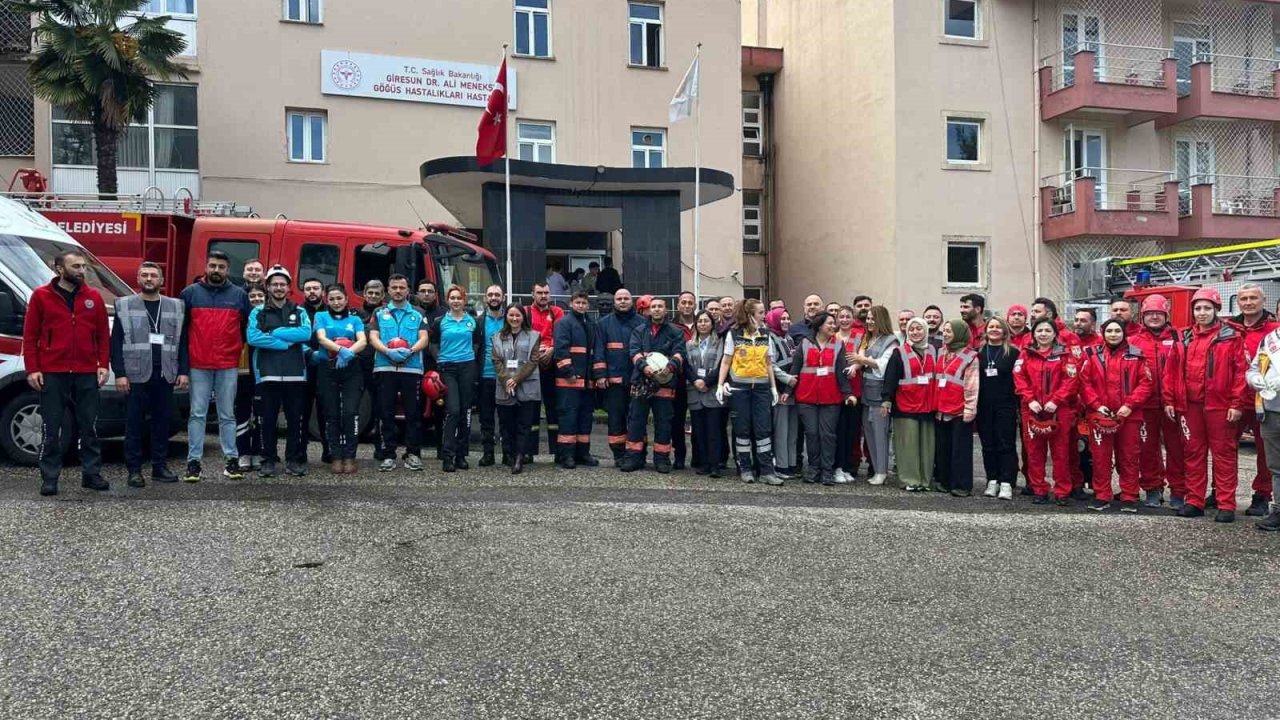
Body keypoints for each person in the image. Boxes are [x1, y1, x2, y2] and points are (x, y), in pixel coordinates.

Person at [24, 250, 112, 495]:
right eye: (75, 267)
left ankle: (91, 474)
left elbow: (103, 336)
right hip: (53, 371)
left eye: (83, 266)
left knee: (89, 427)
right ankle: (50, 477)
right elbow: (30, 337)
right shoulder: (41, 297)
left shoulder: (93, 297)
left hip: (85, 371)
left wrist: (103, 364)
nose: (81, 271)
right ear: (59, 269)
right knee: (52, 428)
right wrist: (33, 369)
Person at [1164, 287, 1247, 523]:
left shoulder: (1232, 337)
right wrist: (1170, 399)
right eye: (1198, 308)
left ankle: (1226, 504)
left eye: (1207, 308)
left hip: (1220, 406)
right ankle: (1194, 501)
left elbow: (1240, 373)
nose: (1202, 313)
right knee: (1193, 453)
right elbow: (1170, 372)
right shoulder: (1183, 337)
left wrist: (1236, 404)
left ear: (1216, 310)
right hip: (1189, 406)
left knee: (1224, 455)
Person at [111, 261, 188, 488]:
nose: (148, 279)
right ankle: (134, 470)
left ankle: (159, 466)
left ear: (161, 281)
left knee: (161, 423)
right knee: (134, 424)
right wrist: (120, 373)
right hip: (135, 374)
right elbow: (115, 342)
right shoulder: (124, 305)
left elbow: (183, 342)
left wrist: (183, 371)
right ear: (138, 279)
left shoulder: (176, 306)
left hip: (165, 373)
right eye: (144, 275)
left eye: (153, 275)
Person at [181, 249, 251, 482]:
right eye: (213, 266)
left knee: (227, 415)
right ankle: (194, 462)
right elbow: (183, 332)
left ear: (227, 270)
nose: (216, 270)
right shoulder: (190, 294)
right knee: (197, 414)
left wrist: (233, 351)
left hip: (226, 364)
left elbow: (244, 330)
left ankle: (231, 460)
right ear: (206, 266)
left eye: (221, 267)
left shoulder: (239, 295)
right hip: (198, 363)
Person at [246, 266, 312, 478]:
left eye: (282, 284)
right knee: (267, 420)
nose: (278, 288)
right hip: (267, 374)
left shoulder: (299, 311)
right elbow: (254, 338)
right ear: (268, 287)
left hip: (295, 374)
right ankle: (268, 459)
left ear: (288, 287)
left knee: (295, 420)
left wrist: (276, 332)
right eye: (274, 284)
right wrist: (284, 344)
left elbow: (306, 333)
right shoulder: (258, 311)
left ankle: (293, 460)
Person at [1080, 318, 1152, 513]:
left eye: (1117, 331)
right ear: (1103, 333)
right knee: (1100, 457)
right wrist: (1096, 405)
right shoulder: (1092, 355)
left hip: (1129, 415)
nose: (1113, 334)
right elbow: (1084, 383)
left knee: (1129, 456)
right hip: (1100, 415)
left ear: (1124, 333)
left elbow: (1146, 384)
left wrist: (1129, 405)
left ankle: (1129, 495)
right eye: (1109, 331)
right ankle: (1102, 495)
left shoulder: (1137, 355)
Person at [1014, 318, 1081, 505]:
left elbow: (1071, 380)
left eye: (1047, 330)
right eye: (1039, 330)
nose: (1043, 334)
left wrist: (1056, 400)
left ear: (1054, 334)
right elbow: (1019, 378)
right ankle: (1039, 490)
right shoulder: (1026, 354)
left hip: (1060, 410)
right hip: (1032, 410)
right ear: (1033, 334)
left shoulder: (1065, 355)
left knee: (1061, 453)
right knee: (1034, 453)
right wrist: (1031, 400)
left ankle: (1062, 491)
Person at [1128, 294, 1186, 509]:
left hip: (1174, 404)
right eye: (1149, 313)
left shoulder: (1180, 337)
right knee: (1147, 449)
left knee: (1177, 449)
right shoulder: (1133, 341)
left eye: (1158, 313)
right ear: (1143, 316)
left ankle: (1179, 491)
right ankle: (1152, 488)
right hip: (1145, 404)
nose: (1154, 317)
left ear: (1166, 315)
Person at [368, 274, 429, 472]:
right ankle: (388, 454)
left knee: (413, 413)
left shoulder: (418, 312)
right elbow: (373, 337)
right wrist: (387, 351)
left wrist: (410, 351)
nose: (398, 291)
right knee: (385, 412)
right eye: (394, 287)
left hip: (412, 368)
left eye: (402, 287)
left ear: (408, 290)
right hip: (385, 367)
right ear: (388, 289)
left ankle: (413, 453)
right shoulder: (379, 312)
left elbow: (424, 338)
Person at [716, 298, 781, 485]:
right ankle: (745, 468)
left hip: (761, 389)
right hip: (739, 389)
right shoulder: (734, 333)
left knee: (763, 430)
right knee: (742, 429)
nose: (764, 316)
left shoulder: (766, 334)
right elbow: (726, 361)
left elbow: (769, 363)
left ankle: (767, 471)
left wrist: (773, 387)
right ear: (750, 314)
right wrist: (721, 384)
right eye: (761, 312)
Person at [789, 312, 856, 485]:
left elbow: (842, 372)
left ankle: (827, 471)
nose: (833, 327)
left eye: (834, 324)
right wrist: (787, 392)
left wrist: (848, 394)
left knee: (827, 435)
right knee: (811, 434)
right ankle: (813, 469)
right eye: (830, 323)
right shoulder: (804, 344)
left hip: (831, 399)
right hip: (806, 398)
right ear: (819, 325)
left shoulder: (838, 344)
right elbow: (795, 370)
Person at [621, 297, 685, 473]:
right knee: (636, 422)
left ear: (666, 310)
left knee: (664, 423)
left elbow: (679, 353)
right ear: (649, 310)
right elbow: (633, 352)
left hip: (665, 383)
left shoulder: (675, 332)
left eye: (660, 307)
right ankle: (634, 458)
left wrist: (670, 367)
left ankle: (662, 459)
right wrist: (645, 367)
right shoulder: (639, 331)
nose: (656, 309)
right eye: (653, 306)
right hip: (641, 381)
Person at [1231, 282, 1279, 516]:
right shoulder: (1228, 328)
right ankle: (1222, 491)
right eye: (1244, 299)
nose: (1248, 302)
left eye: (1253, 298)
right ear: (1238, 302)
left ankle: (1262, 495)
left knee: (1265, 453)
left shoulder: (1274, 330)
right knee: (1226, 450)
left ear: (1263, 301)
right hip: (1233, 400)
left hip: (1265, 400)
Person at [312, 283, 366, 474]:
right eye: (332, 299)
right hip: (328, 369)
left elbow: (363, 340)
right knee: (332, 414)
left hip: (351, 370)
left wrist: (349, 353)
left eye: (339, 298)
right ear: (327, 300)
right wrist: (340, 350)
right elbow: (321, 339)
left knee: (350, 413)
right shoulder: (320, 316)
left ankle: (350, 455)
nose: (336, 302)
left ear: (346, 299)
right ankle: (336, 455)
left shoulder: (355, 319)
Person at [430, 285, 480, 472]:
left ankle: (461, 455)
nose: (456, 301)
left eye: (459, 298)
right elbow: (433, 343)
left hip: (467, 367)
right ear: (447, 300)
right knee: (453, 410)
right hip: (447, 368)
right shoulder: (439, 321)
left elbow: (477, 342)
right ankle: (447, 456)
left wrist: (470, 356)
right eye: (453, 298)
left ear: (464, 300)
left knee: (466, 410)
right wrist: (439, 359)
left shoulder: (472, 321)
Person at [883, 318, 936, 492]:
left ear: (925, 331)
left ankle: (925, 480)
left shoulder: (933, 350)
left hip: (928, 405)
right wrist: (886, 399)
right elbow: (890, 377)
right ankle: (910, 480)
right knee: (908, 445)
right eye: (911, 329)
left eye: (918, 329)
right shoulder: (899, 352)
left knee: (927, 447)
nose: (914, 332)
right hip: (905, 406)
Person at [849, 305, 898, 486]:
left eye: (873, 319)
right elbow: (861, 359)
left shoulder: (890, 341)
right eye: (868, 318)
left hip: (879, 394)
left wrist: (861, 360)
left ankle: (881, 471)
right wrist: (858, 362)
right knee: (869, 433)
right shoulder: (867, 338)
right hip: (866, 393)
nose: (869, 322)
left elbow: (882, 366)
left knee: (880, 434)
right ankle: (877, 469)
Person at [594, 289, 644, 462]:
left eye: (626, 298)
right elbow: (599, 351)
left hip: (638, 381)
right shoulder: (603, 324)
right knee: (616, 419)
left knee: (637, 419)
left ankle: (638, 454)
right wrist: (600, 374)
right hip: (614, 382)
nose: (622, 301)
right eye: (619, 299)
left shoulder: (642, 323)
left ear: (632, 301)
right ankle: (619, 454)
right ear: (615, 302)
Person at [493, 304, 541, 474]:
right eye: (511, 315)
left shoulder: (534, 336)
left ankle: (520, 457)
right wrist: (507, 379)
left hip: (527, 385)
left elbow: (533, 361)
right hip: (505, 386)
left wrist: (517, 379)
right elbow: (497, 361)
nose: (514, 318)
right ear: (506, 317)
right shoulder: (497, 337)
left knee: (524, 424)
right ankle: (511, 454)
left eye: (518, 315)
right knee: (507, 425)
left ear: (523, 317)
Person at [554, 291, 599, 468]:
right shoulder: (564, 323)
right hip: (568, 383)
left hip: (587, 383)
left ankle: (583, 453)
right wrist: (568, 372)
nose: (581, 305)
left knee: (585, 418)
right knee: (568, 419)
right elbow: (560, 351)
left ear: (588, 305)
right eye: (578, 302)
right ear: (571, 304)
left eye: (584, 303)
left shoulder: (590, 324)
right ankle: (566, 455)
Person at [934, 320, 979, 497]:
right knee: (943, 448)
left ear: (959, 334)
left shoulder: (971, 356)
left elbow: (972, 385)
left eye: (949, 332)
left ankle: (961, 485)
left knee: (960, 450)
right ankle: (945, 481)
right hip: (941, 408)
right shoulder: (941, 352)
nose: (945, 334)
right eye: (944, 331)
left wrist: (970, 409)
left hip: (960, 410)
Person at [976, 317, 1019, 501]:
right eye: (990, 327)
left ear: (1004, 331)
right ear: (986, 331)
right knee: (988, 445)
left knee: (1006, 444)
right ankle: (992, 479)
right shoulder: (978, 353)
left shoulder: (1013, 353)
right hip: (984, 405)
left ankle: (1007, 482)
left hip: (1006, 405)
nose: (994, 329)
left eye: (998, 327)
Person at [527, 282, 564, 461]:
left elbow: (562, 336)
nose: (543, 296)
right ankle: (529, 452)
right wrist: (535, 354)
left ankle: (557, 451)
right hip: (530, 366)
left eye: (546, 293)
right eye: (539, 292)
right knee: (531, 408)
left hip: (551, 364)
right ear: (532, 294)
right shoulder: (526, 312)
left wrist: (552, 350)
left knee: (554, 408)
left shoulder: (557, 312)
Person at [355, 279, 391, 461]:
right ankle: (349, 451)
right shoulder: (355, 314)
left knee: (381, 409)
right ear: (364, 294)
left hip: (379, 367)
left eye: (377, 294)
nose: (373, 296)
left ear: (383, 296)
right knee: (353, 409)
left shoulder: (387, 314)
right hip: (358, 366)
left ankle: (381, 449)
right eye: (370, 293)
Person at [687, 311, 726, 476]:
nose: (703, 324)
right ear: (696, 324)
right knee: (699, 430)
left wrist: (707, 382)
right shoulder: (689, 344)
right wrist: (695, 380)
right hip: (695, 391)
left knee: (714, 430)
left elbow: (722, 364)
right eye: (700, 321)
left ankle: (715, 465)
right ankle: (703, 463)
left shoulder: (720, 343)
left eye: (706, 321)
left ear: (712, 324)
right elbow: (686, 366)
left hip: (712, 391)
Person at [474, 284, 507, 467]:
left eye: (497, 294)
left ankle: (507, 454)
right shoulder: (479, 321)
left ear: (503, 297)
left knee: (506, 418)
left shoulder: (510, 320)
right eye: (490, 294)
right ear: (486, 298)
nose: (494, 297)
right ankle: (488, 454)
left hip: (505, 377)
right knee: (486, 418)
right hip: (485, 375)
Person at [299, 277, 331, 465]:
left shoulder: (330, 312)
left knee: (326, 411)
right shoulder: (297, 311)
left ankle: (328, 451)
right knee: (301, 411)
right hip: (302, 366)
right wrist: (309, 351)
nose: (312, 291)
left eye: (316, 288)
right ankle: (300, 452)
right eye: (308, 288)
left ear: (323, 292)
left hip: (326, 367)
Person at [235, 283, 265, 472]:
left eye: (260, 296)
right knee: (243, 413)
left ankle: (258, 451)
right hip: (243, 372)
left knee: (262, 413)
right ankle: (243, 453)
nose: (256, 300)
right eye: (252, 297)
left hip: (264, 372)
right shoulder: (240, 319)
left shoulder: (269, 317)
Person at [834, 305, 866, 483]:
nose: (844, 320)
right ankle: (837, 467)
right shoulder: (833, 337)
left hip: (855, 388)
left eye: (848, 316)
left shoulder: (860, 336)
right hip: (837, 389)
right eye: (841, 317)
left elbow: (861, 356)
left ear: (853, 318)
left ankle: (848, 466)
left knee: (852, 431)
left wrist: (855, 366)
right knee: (839, 430)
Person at [766, 308, 798, 479]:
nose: (786, 321)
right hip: (780, 390)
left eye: (788, 318)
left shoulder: (789, 338)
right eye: (782, 318)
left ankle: (791, 464)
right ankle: (781, 466)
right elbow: (770, 364)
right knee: (781, 431)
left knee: (792, 431)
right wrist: (787, 379)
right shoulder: (770, 338)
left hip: (792, 391)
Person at [670, 291, 698, 469]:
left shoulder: (703, 323)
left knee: (699, 421)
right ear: (678, 305)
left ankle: (699, 457)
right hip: (678, 381)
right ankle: (679, 456)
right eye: (683, 302)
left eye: (690, 302)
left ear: (695, 305)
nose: (687, 305)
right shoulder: (671, 326)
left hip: (699, 382)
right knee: (677, 421)